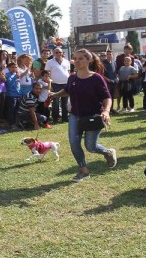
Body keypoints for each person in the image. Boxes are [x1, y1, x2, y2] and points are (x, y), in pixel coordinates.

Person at [49, 49, 116, 182]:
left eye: (80, 58)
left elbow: (107, 97)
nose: (77, 61)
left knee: (91, 146)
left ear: (88, 60)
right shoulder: (72, 77)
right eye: (75, 58)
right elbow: (67, 90)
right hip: (75, 116)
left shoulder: (96, 78)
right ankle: (84, 171)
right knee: (74, 144)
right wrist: (55, 95)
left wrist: (106, 111)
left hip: (93, 116)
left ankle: (108, 153)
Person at [45, 47, 71, 123]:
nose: (59, 54)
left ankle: (65, 118)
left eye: (60, 52)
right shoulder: (49, 62)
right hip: (55, 84)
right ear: (53, 53)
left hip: (66, 83)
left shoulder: (66, 61)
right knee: (55, 102)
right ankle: (55, 118)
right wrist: (50, 84)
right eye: (56, 52)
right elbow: (47, 74)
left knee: (65, 102)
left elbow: (68, 72)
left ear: (62, 53)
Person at [114, 44, 135, 111]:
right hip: (121, 77)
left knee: (129, 93)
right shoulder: (119, 57)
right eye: (126, 49)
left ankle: (130, 107)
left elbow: (133, 68)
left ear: (131, 50)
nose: (127, 50)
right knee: (121, 93)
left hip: (129, 79)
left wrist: (131, 76)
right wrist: (117, 76)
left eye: (129, 49)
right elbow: (117, 67)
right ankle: (120, 106)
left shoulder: (132, 57)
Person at [4, 62, 22, 129]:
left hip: (18, 95)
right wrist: (15, 77)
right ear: (9, 68)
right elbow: (9, 85)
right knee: (11, 110)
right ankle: (12, 124)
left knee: (17, 110)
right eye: (12, 67)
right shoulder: (7, 75)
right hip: (11, 95)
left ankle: (17, 123)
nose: (14, 69)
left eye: (15, 67)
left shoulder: (17, 75)